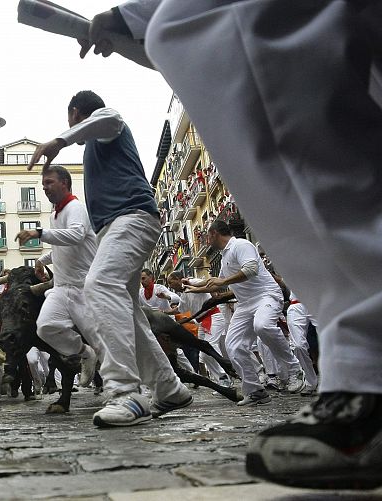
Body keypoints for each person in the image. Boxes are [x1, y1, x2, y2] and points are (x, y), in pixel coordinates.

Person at [80, 1, 382, 487]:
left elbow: (246, 273)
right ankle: (202, 385)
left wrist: (138, 15)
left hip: (261, 298)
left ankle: (361, 371)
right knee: (234, 341)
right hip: (233, 305)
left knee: (207, 29)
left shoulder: (235, 247)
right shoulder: (219, 252)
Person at [27, 90, 191, 427]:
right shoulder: (95, 147)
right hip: (116, 228)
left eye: (70, 119)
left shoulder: (108, 123)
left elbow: (109, 117)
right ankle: (169, 388)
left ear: (75, 113)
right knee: (129, 314)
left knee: (99, 285)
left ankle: (126, 393)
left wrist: (59, 140)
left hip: (132, 217)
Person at [186, 221, 304, 404]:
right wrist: (194, 287)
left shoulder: (241, 245)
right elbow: (220, 283)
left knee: (262, 326)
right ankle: (255, 391)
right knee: (234, 346)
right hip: (245, 304)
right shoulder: (225, 256)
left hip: (266, 296)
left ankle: (294, 369)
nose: (205, 240)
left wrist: (221, 281)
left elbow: (250, 269)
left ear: (215, 233)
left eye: (207, 235)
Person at [15, 164, 97, 387]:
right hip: (61, 287)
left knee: (102, 341)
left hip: (84, 288)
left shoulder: (76, 208)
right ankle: (84, 352)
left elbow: (76, 235)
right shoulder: (55, 214)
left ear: (65, 183)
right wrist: (41, 260)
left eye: (49, 183)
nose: (45, 188)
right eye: (43, 185)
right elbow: (62, 246)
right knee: (46, 326)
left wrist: (38, 233)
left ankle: (126, 392)